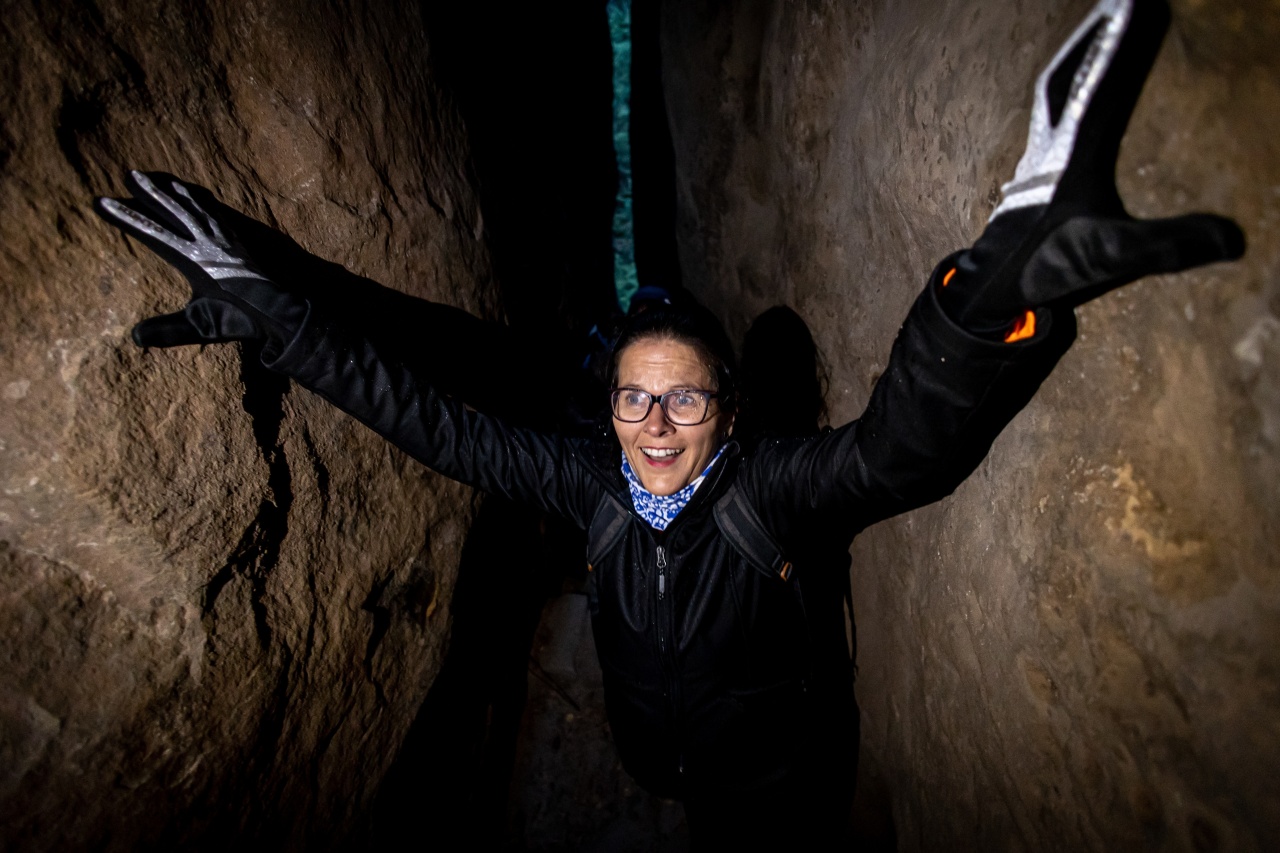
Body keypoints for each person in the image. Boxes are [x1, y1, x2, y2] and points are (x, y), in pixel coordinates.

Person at [93, 0, 1243, 846]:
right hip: (660, 759)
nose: (653, 423)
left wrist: (982, 295)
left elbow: (899, 449)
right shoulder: (589, 484)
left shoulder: (768, 489)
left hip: (776, 781)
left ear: (726, 412)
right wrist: (284, 322)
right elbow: (433, 422)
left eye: (683, 397)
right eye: (632, 396)